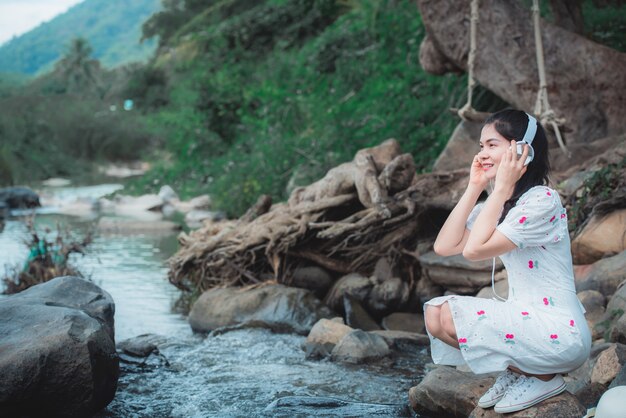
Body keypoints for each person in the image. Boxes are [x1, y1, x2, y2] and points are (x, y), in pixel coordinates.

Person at [423, 109, 591, 414]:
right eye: (481, 146)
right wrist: (475, 186)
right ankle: (522, 372)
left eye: (491, 145)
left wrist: (499, 189)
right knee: (435, 315)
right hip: (529, 325)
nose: (482, 153)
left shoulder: (542, 200)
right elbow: (445, 246)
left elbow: (474, 251)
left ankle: (543, 378)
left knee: (448, 314)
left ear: (521, 150)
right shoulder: (499, 206)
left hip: (560, 333)